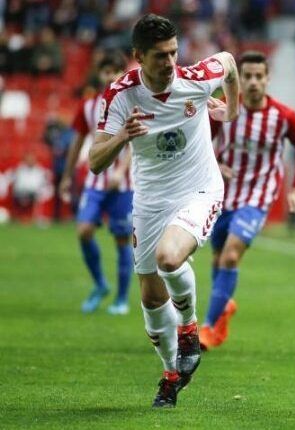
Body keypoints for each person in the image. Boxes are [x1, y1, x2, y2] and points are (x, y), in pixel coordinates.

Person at [89, 14, 240, 407]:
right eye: (160, 56)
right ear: (138, 56)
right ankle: (171, 374)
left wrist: (232, 108)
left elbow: (228, 62)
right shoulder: (120, 95)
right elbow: (94, 161)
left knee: (169, 258)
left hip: (199, 189)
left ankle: (189, 329)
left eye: (174, 52)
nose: (170, 62)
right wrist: (122, 136)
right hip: (151, 201)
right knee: (152, 298)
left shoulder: (195, 78)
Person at [198, 51, 295, 350]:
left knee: (231, 256)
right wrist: (213, 164)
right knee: (217, 258)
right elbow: (200, 144)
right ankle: (222, 309)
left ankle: (207, 327)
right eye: (246, 76)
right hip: (222, 195)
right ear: (237, 79)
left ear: (267, 78)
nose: (252, 82)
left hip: (258, 196)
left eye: (258, 76)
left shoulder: (283, 117)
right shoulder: (224, 110)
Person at [59, 53, 133, 315]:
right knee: (84, 231)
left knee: (123, 239)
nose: (110, 76)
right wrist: (67, 176)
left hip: (122, 184)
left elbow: (135, 143)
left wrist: (121, 170)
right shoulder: (88, 105)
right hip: (95, 181)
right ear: (99, 74)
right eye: (106, 71)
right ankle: (101, 284)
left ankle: (122, 298)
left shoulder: (131, 102)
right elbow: (78, 142)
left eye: (115, 71)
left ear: (122, 74)